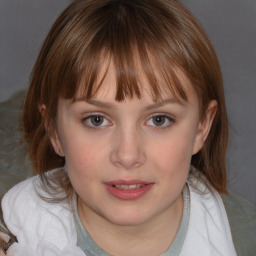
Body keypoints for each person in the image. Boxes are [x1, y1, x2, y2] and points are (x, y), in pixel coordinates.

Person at [0, 0, 255, 255]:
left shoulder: (241, 237)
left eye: (159, 119)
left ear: (202, 127)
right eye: (96, 120)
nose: (128, 155)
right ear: (54, 130)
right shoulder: (18, 226)